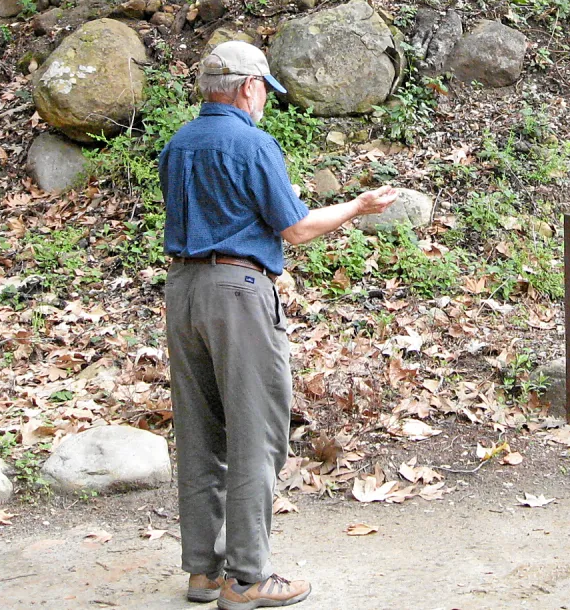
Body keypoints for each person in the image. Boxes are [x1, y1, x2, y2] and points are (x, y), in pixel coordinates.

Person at [159, 40, 396, 609]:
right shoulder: (253, 143)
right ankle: (247, 578)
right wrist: (358, 206)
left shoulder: (178, 143)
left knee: (199, 432)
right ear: (247, 87)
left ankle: (204, 572)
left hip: (183, 291)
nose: (265, 98)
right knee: (255, 432)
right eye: (265, 88)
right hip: (238, 294)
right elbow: (296, 229)